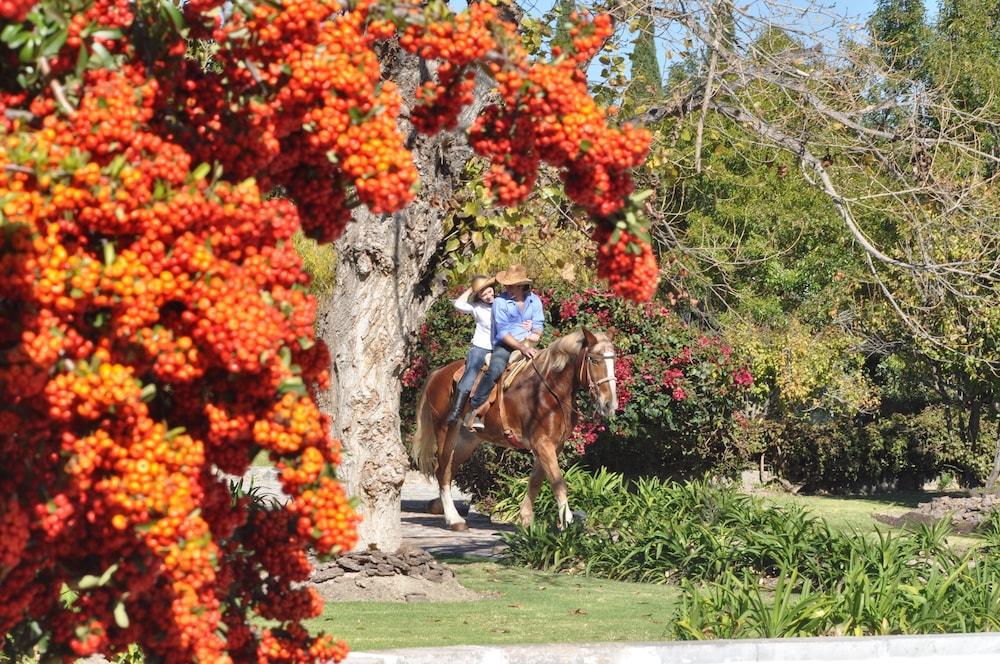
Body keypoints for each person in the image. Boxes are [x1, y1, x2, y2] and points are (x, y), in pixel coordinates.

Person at [466, 264, 544, 430]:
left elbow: (538, 323)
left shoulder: (534, 300)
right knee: (495, 369)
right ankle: (475, 409)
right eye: (506, 285)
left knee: (549, 367)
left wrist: (536, 334)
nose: (507, 288)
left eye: (512, 285)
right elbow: (503, 332)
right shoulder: (500, 302)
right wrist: (522, 348)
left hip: (529, 343)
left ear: (522, 285)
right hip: (506, 345)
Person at [445, 275, 497, 424]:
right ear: (478, 296)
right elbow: (458, 304)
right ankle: (455, 413)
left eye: (489, 291)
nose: (488, 296)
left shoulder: (501, 303)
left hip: (499, 348)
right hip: (481, 347)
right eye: (483, 294)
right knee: (471, 375)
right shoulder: (476, 308)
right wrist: (472, 288)